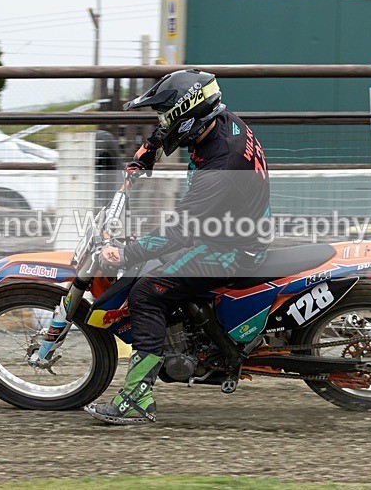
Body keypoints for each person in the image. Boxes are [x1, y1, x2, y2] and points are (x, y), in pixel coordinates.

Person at [85, 69, 271, 424]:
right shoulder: (219, 122)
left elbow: (182, 229)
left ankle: (136, 400)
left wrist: (126, 253)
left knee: (147, 292)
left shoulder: (223, 164)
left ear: (188, 116)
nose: (163, 123)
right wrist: (145, 154)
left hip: (231, 247)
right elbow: (170, 129)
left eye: (167, 117)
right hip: (232, 229)